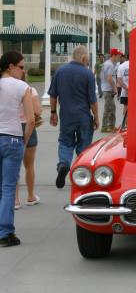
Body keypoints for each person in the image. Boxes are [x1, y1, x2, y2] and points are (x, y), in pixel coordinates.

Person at [48, 45, 99, 189]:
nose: (88, 61)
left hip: (66, 116)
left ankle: (63, 164)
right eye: (87, 58)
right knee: (83, 147)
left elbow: (53, 94)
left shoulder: (60, 71)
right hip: (83, 116)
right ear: (83, 57)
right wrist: (96, 117)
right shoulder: (87, 74)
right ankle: (81, 175)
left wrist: (53, 112)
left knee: (65, 142)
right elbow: (92, 101)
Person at [0, 51, 35, 247]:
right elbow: (30, 119)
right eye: (21, 67)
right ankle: (5, 233)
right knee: (8, 188)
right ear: (10, 67)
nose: (24, 70)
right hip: (12, 138)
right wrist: (24, 140)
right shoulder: (22, 87)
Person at [15, 73, 42, 209]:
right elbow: (37, 111)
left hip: (10, 127)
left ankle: (15, 199)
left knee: (12, 165)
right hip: (28, 126)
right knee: (29, 165)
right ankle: (31, 196)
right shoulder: (30, 90)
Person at [101, 48, 120, 133]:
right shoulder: (111, 65)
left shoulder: (106, 63)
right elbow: (109, 78)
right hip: (108, 89)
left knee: (109, 107)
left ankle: (110, 125)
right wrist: (114, 88)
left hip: (105, 88)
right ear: (113, 55)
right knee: (110, 108)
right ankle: (107, 126)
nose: (118, 57)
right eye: (117, 55)